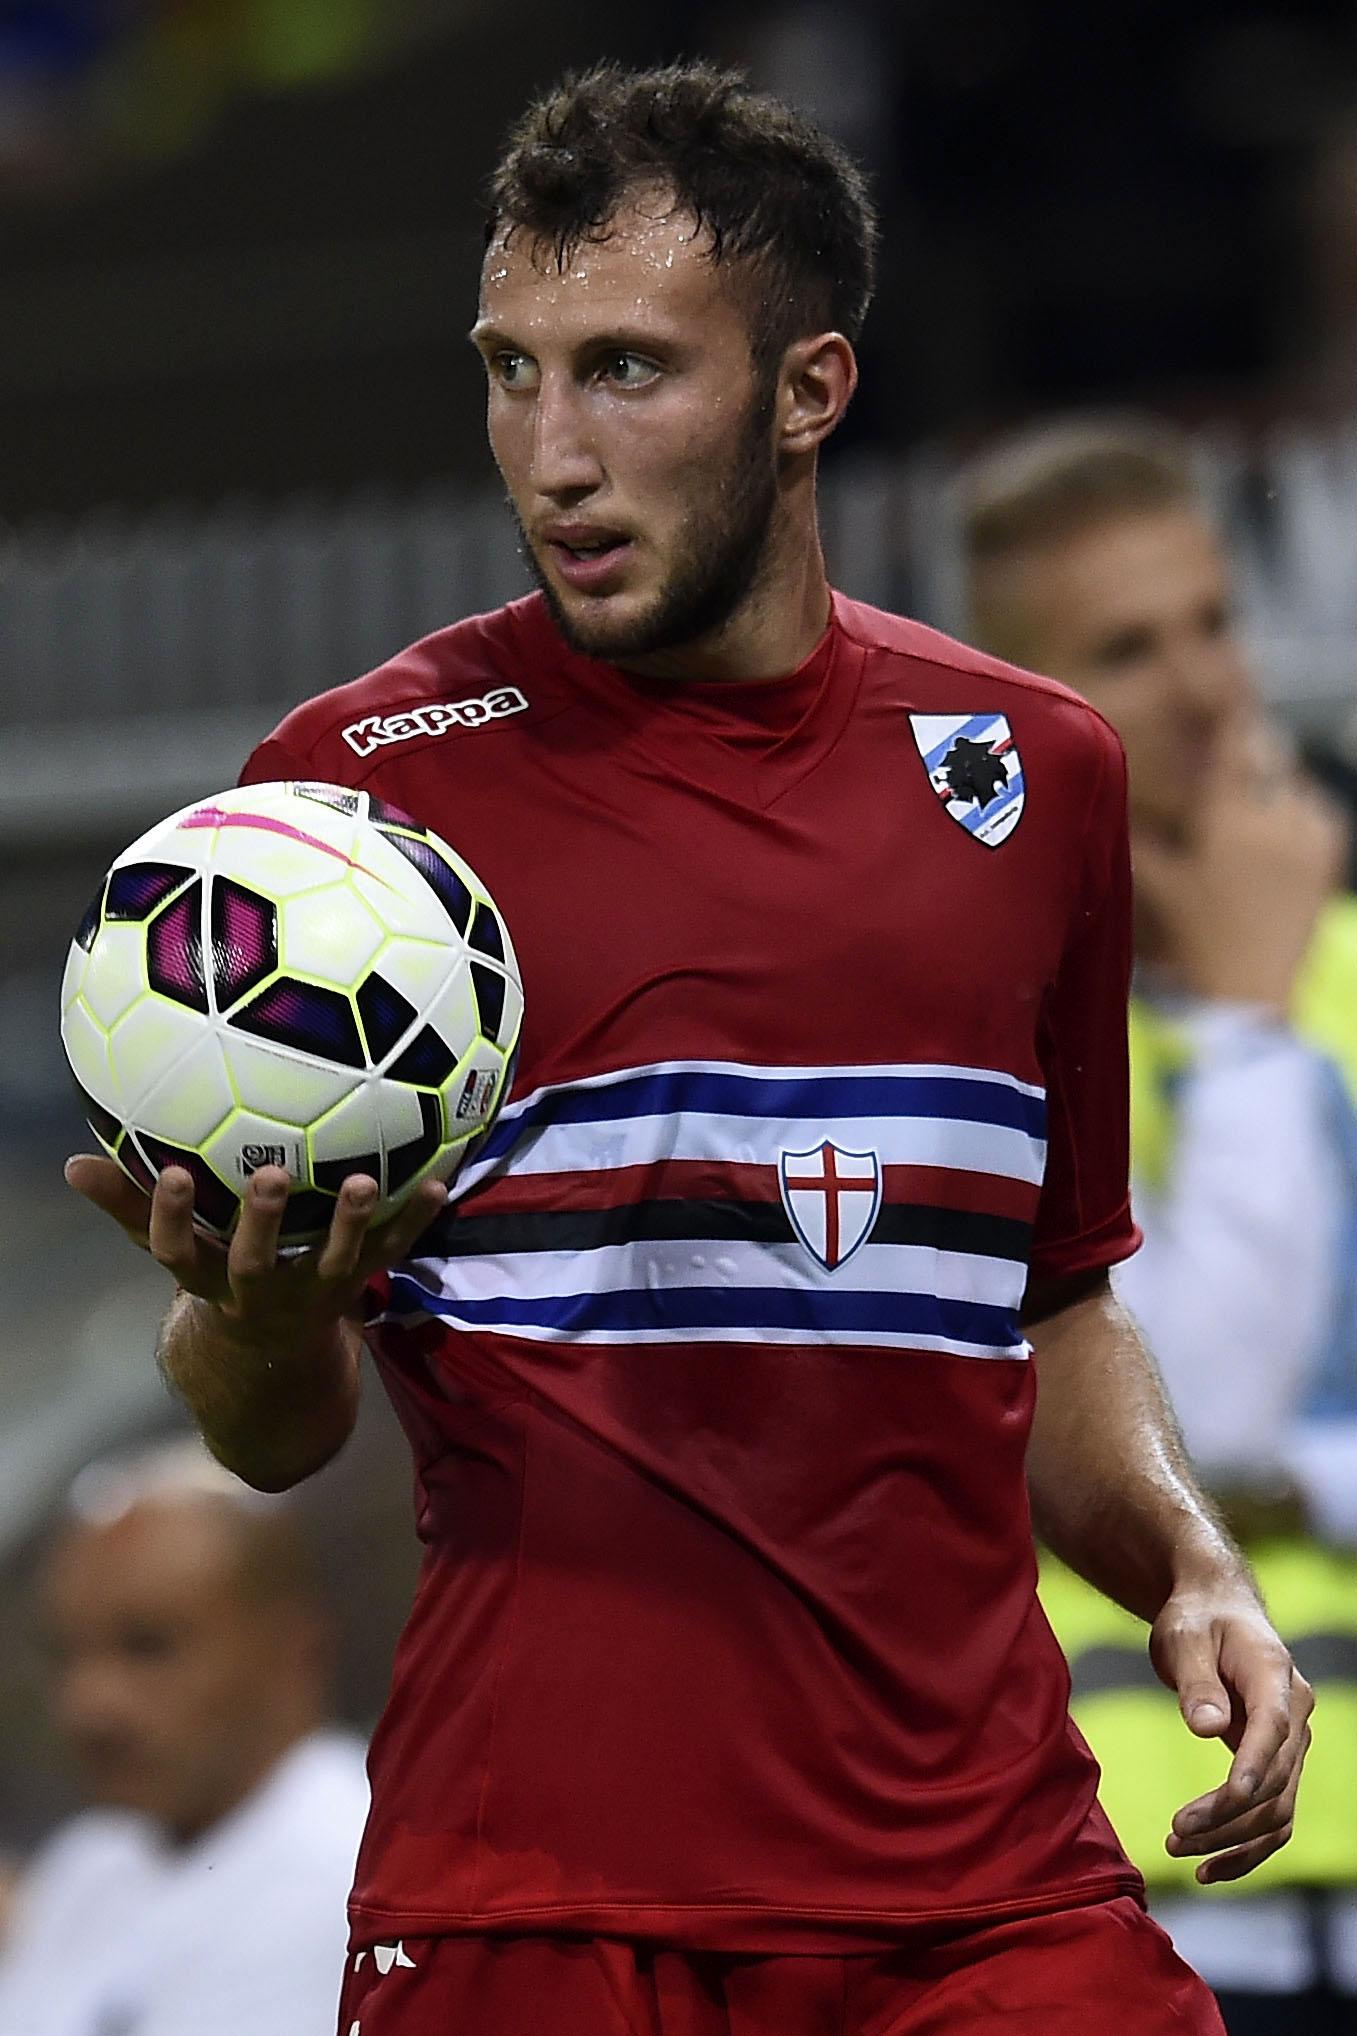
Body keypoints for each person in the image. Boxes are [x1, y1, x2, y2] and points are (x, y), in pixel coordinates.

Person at [65, 63, 1311, 2036]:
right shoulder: (350, 812)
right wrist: (257, 1318)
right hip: (534, 1902)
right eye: (511, 371)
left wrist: (1186, 1562)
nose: (550, 453)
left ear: (808, 391)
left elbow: (1056, 1299)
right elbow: (268, 1427)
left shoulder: (1029, 779)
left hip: (983, 1895)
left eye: (626, 372)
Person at [957, 415, 1357, 2034]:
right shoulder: (975, 1024)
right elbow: (1198, 1421)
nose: (1201, 688)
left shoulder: (1350, 970)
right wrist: (1250, 1026)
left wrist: (1300, 1482)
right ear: (1020, 713)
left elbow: (1241, 1448)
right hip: (1135, 1880)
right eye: (1128, 650)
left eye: (1212, 624)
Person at [0, 1438, 369, 2036]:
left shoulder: (359, 1884)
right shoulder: (91, 1860)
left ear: (295, 1648)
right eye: (65, 1655)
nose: (88, 1705)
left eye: (148, 1645)